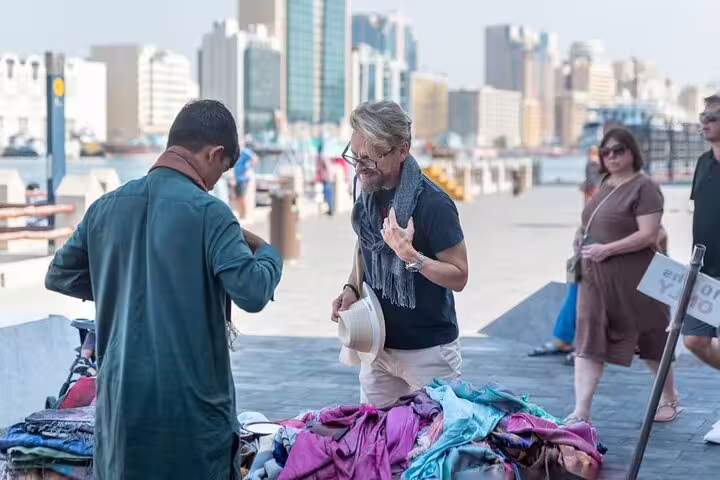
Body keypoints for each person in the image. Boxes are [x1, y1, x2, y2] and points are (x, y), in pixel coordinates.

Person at [44, 100, 284, 479]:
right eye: (221, 171)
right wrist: (269, 254)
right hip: (190, 418)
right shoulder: (211, 213)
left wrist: (122, 283)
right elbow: (252, 292)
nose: (215, 183)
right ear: (214, 153)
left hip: (121, 413)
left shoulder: (105, 208)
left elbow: (59, 274)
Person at [330, 101, 469, 407]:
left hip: (429, 353)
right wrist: (351, 288)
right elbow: (365, 245)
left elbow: (459, 276)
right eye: (355, 155)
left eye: (370, 157)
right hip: (378, 349)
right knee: (376, 445)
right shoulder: (366, 191)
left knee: (431, 448)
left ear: (401, 150)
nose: (359, 166)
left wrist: (411, 256)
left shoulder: (434, 204)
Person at [566, 127, 680, 425]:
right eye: (606, 152)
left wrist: (609, 249)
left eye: (618, 150)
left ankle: (670, 399)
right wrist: (582, 237)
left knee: (652, 338)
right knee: (588, 338)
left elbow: (649, 235)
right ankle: (582, 410)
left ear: (632, 152)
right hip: (595, 277)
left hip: (636, 278)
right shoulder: (605, 183)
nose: (612, 157)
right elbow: (592, 222)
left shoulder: (645, 187)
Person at [682, 93, 720, 443]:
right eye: (703, 115)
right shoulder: (703, 163)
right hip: (705, 270)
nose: (704, 121)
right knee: (694, 339)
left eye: (712, 116)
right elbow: (701, 215)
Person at [233, 141, 258, 220]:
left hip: (243, 179)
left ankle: (244, 215)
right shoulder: (236, 153)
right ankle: (241, 214)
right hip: (237, 178)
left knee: (242, 196)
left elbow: (255, 158)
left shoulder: (245, 152)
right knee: (238, 197)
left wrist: (248, 168)